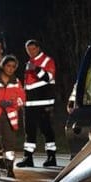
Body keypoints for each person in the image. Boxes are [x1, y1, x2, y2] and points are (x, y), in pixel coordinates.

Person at [19, 39, 58, 167]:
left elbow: (49, 78)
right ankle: (28, 158)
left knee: (46, 129)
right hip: (30, 103)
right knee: (29, 131)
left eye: (33, 49)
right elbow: (28, 84)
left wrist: (36, 69)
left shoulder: (47, 60)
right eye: (28, 50)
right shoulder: (30, 62)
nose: (30, 52)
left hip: (43, 102)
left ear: (38, 48)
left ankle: (51, 157)